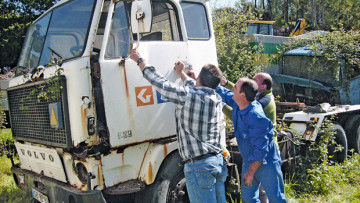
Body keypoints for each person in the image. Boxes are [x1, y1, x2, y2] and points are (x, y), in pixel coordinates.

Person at [129, 49, 228, 203]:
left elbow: (161, 83)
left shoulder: (188, 97)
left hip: (200, 167)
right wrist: (182, 75)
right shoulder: (216, 98)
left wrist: (140, 60)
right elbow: (195, 90)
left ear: (199, 78)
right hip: (217, 163)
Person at [216, 78, 287, 203]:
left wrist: (250, 173)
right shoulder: (239, 104)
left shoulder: (256, 116)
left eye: (235, 88)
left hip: (267, 163)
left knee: (277, 198)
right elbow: (224, 94)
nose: (232, 89)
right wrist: (199, 79)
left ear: (242, 95)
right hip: (249, 160)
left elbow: (261, 150)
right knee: (248, 198)